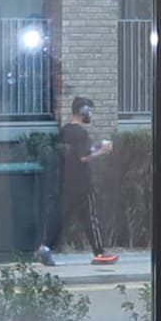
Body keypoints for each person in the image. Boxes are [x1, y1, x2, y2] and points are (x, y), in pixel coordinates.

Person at [57, 93, 117, 264]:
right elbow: (84, 157)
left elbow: (76, 151)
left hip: (67, 182)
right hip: (83, 184)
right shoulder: (81, 132)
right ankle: (100, 253)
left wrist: (97, 145)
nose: (90, 114)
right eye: (89, 110)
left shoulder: (65, 130)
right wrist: (103, 151)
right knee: (91, 219)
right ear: (82, 111)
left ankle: (44, 247)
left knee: (61, 218)